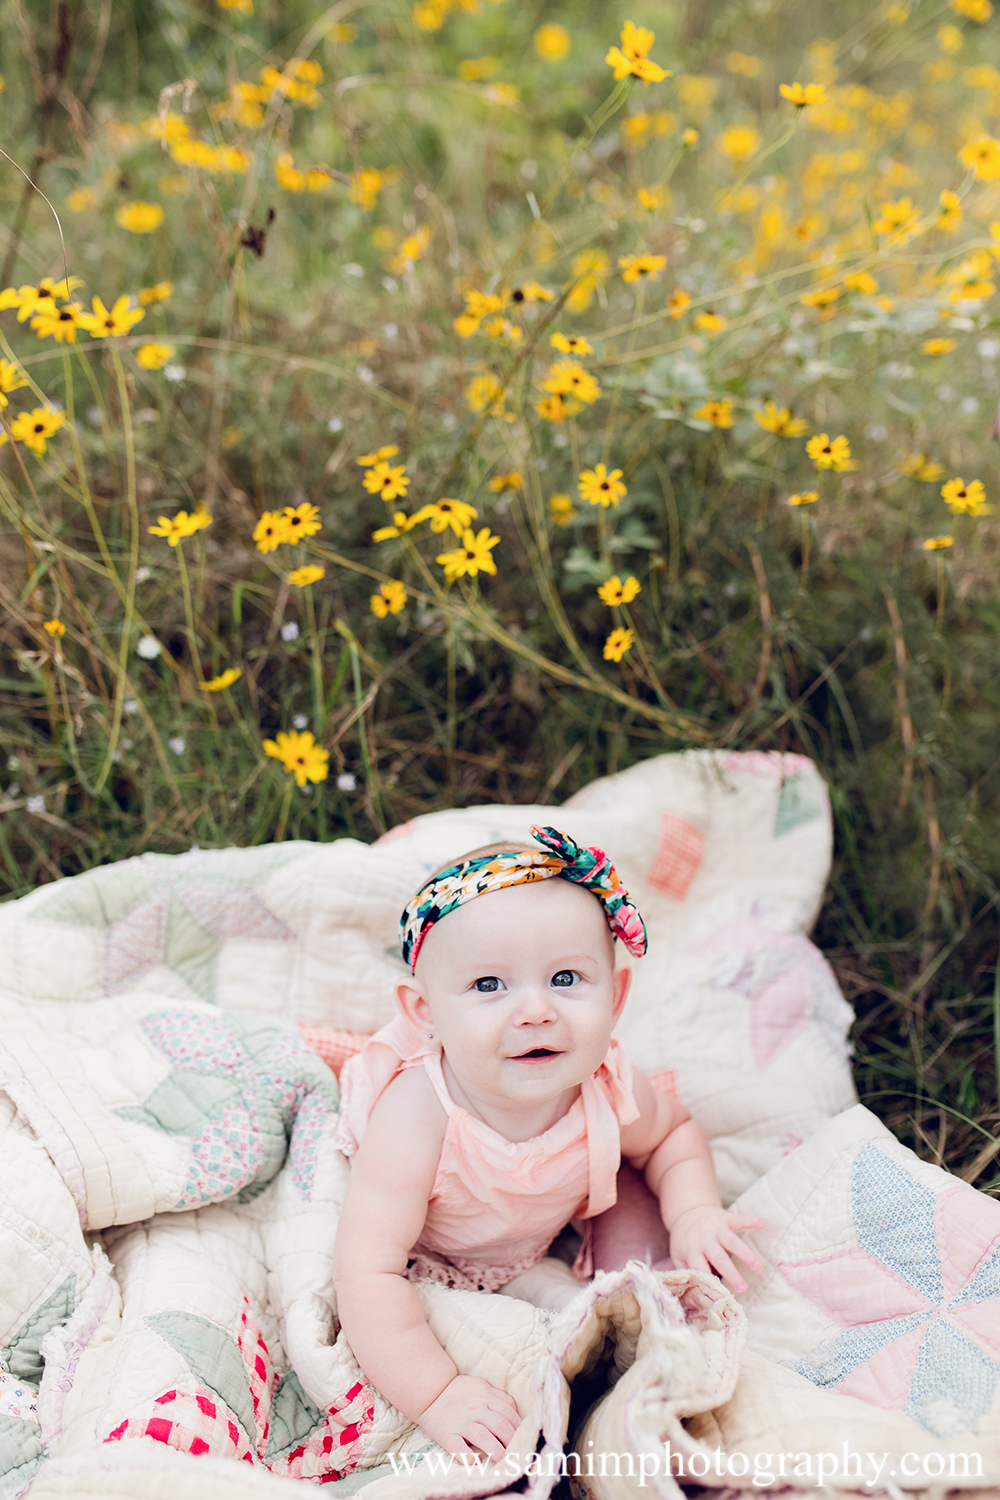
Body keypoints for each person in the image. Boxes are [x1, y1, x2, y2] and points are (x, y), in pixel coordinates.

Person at [332, 826, 764, 1461]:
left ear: (615, 997)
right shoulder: (417, 1117)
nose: (535, 1011)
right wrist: (437, 1395)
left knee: (632, 1268)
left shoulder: (610, 1086)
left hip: (531, 1241)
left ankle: (628, 1336)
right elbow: (365, 1271)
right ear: (425, 1015)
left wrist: (695, 1211)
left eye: (566, 978)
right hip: (425, 1250)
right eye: (488, 986)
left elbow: (672, 1134)